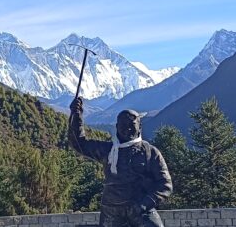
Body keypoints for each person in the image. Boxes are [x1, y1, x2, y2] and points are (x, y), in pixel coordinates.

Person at [68, 96, 172, 227]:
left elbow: (165, 185)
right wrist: (76, 114)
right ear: (117, 127)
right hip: (112, 211)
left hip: (141, 210)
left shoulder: (150, 153)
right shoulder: (108, 150)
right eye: (123, 125)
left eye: (131, 125)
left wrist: (144, 204)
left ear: (139, 127)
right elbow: (79, 143)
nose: (127, 128)